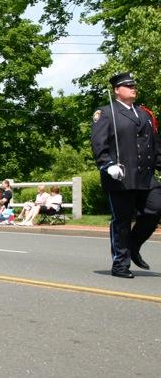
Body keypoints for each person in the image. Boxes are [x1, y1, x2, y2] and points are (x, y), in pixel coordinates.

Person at [91, 72, 161, 278]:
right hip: (120, 177)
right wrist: (107, 164)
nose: (133, 88)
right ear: (116, 90)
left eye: (134, 85)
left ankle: (133, 245)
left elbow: (155, 147)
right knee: (121, 221)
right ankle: (120, 264)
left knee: (155, 209)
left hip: (146, 177)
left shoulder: (145, 114)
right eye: (128, 85)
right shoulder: (106, 113)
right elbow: (98, 143)